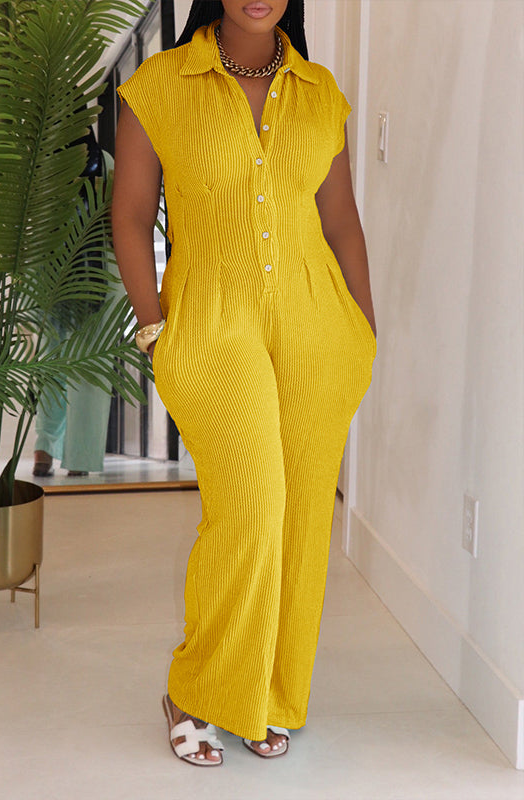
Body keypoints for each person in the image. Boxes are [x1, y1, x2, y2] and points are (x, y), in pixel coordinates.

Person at [112, 0, 376, 767]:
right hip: (210, 323)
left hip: (317, 331)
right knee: (252, 507)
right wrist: (154, 324)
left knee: (303, 520)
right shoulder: (162, 85)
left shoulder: (321, 93)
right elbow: (131, 215)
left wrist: (364, 329)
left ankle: (265, 696)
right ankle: (198, 691)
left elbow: (341, 220)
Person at [34, 131, 122, 478]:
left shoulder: (44, 166)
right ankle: (80, 460)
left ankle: (44, 449)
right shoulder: (108, 164)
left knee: (53, 361)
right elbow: (120, 225)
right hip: (102, 272)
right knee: (90, 368)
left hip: (55, 273)